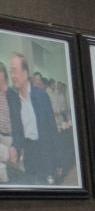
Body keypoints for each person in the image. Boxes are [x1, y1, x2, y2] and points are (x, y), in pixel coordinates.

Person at [3, 53, 59, 185]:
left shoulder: (41, 96)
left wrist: (57, 161)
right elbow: (17, 130)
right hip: (29, 153)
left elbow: (52, 130)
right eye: (11, 72)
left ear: (25, 72)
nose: (12, 76)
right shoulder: (14, 100)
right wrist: (15, 147)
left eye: (15, 71)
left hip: (44, 151)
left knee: (48, 188)